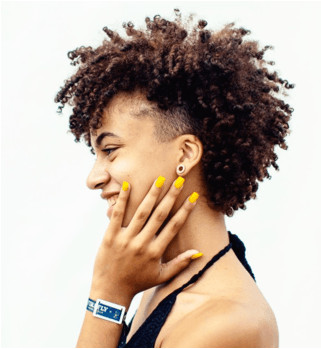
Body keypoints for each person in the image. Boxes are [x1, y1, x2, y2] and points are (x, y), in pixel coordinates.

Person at [55, 10, 293, 348]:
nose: (93, 178)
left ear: (184, 155)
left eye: (110, 149)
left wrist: (107, 295)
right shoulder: (159, 280)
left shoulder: (228, 322)